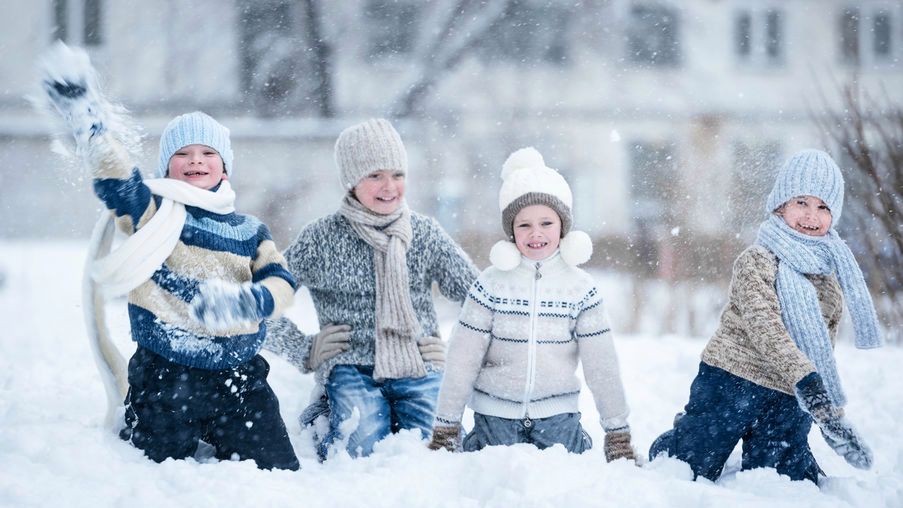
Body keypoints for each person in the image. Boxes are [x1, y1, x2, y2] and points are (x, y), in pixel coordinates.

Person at [39, 43, 299, 470]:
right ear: (167, 167)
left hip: (239, 377)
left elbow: (283, 283)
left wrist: (249, 301)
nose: (195, 159)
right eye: (182, 153)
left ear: (225, 168)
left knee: (277, 470)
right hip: (165, 376)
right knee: (150, 472)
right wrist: (92, 128)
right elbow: (120, 180)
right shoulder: (154, 213)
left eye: (207, 152)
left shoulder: (250, 230)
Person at [648, 149, 883, 483]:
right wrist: (809, 384)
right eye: (801, 202)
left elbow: (820, 353)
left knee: (785, 480)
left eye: (823, 207)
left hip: (788, 394)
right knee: (692, 466)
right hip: (731, 381)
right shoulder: (756, 261)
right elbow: (765, 328)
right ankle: (682, 438)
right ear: (780, 205)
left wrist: (830, 414)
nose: (811, 216)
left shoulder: (830, 280)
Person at [264, 118, 479, 459]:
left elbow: (482, 300)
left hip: (418, 364)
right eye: (375, 175)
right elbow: (259, 303)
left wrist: (454, 351)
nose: (389, 186)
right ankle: (324, 412)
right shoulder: (321, 238)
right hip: (350, 367)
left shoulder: (424, 233)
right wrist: (303, 349)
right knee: (360, 449)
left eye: (397, 174)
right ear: (351, 181)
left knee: (439, 450)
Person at [427, 147, 635, 462]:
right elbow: (462, 357)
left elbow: (601, 364)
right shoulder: (490, 284)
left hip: (558, 418)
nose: (535, 233)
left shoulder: (580, 289)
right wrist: (446, 425)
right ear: (511, 230)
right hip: (495, 417)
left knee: (561, 485)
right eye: (524, 225)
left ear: (563, 226)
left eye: (547, 223)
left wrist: (617, 432)